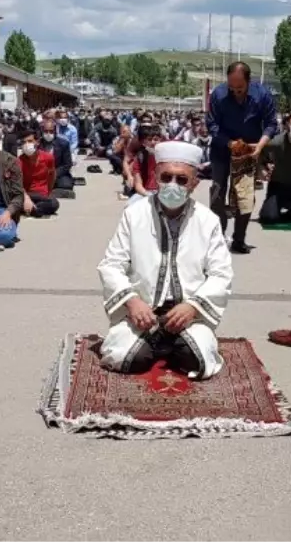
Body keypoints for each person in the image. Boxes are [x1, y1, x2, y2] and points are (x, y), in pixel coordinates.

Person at [95, 140, 233, 380]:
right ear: (156, 177)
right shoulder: (134, 214)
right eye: (166, 177)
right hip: (143, 310)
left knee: (197, 359)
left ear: (194, 184)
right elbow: (111, 265)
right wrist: (132, 301)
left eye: (181, 180)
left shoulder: (208, 220)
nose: (172, 185)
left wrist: (193, 307)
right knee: (127, 358)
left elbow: (221, 274)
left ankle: (172, 343)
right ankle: (156, 344)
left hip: (187, 314)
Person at [206, 61, 279, 255]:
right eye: (231, 86)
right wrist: (229, 143)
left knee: (245, 196)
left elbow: (271, 124)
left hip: (249, 150)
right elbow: (212, 126)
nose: (235, 91)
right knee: (217, 194)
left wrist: (261, 145)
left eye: (240, 87)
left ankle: (239, 239)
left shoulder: (262, 95)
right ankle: (217, 239)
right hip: (222, 149)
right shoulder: (218, 95)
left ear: (248, 81)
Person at [17, 128, 60, 218]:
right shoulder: (19, 161)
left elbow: (52, 176)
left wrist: (49, 191)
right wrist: (26, 198)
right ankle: (34, 209)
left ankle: (32, 209)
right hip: (26, 195)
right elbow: (18, 183)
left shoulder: (48, 157)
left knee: (54, 203)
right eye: (24, 142)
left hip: (42, 195)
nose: (26, 144)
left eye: (30, 141)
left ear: (37, 142)